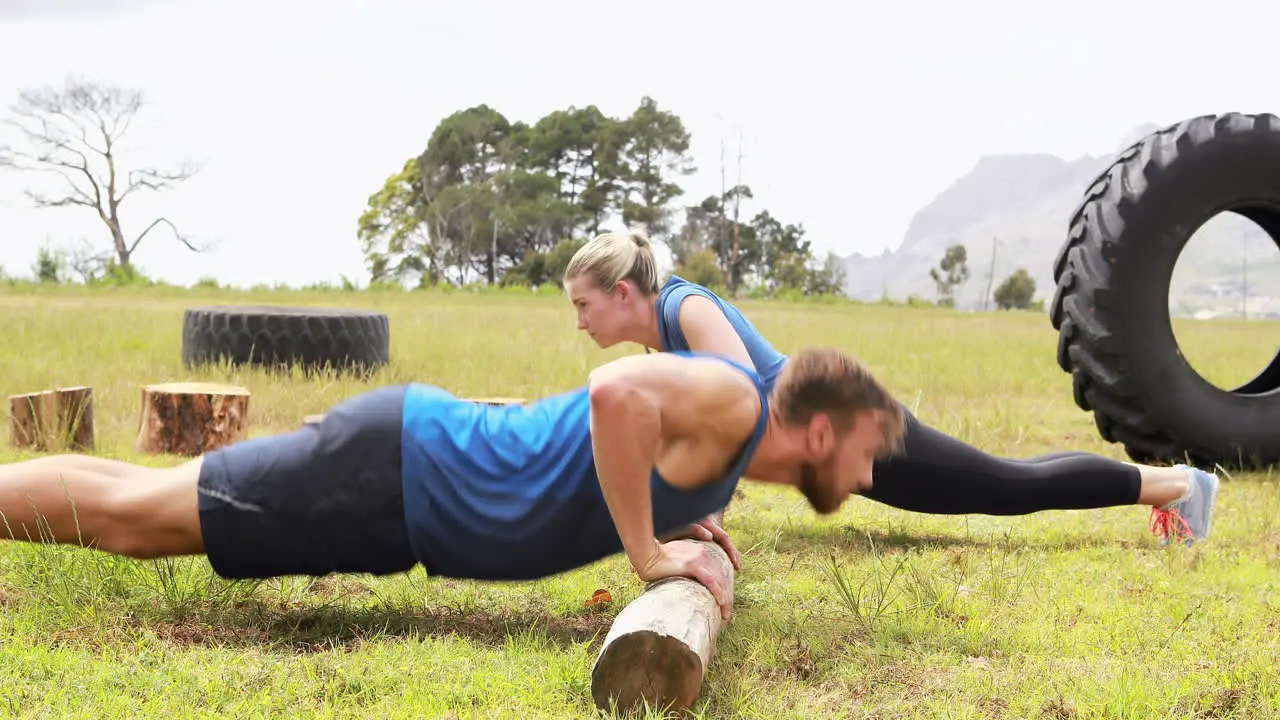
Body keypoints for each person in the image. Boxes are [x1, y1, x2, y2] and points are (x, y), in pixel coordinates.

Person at [0, 347, 906, 619]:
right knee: (132, 520)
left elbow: (652, 437)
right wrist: (644, 551)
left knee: (139, 494)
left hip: (401, 476)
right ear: (820, 429)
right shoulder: (738, 401)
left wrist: (687, 513)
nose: (866, 476)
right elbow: (616, 391)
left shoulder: (733, 439)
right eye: (867, 452)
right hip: (395, 473)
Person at [561, 230, 1219, 548]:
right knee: (998, 486)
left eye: (585, 305)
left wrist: (700, 508)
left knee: (1007, 488)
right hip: (833, 447)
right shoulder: (660, 338)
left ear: (623, 293)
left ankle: (1180, 487)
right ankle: (1168, 487)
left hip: (848, 430)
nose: (580, 321)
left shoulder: (686, 311)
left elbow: (742, 417)